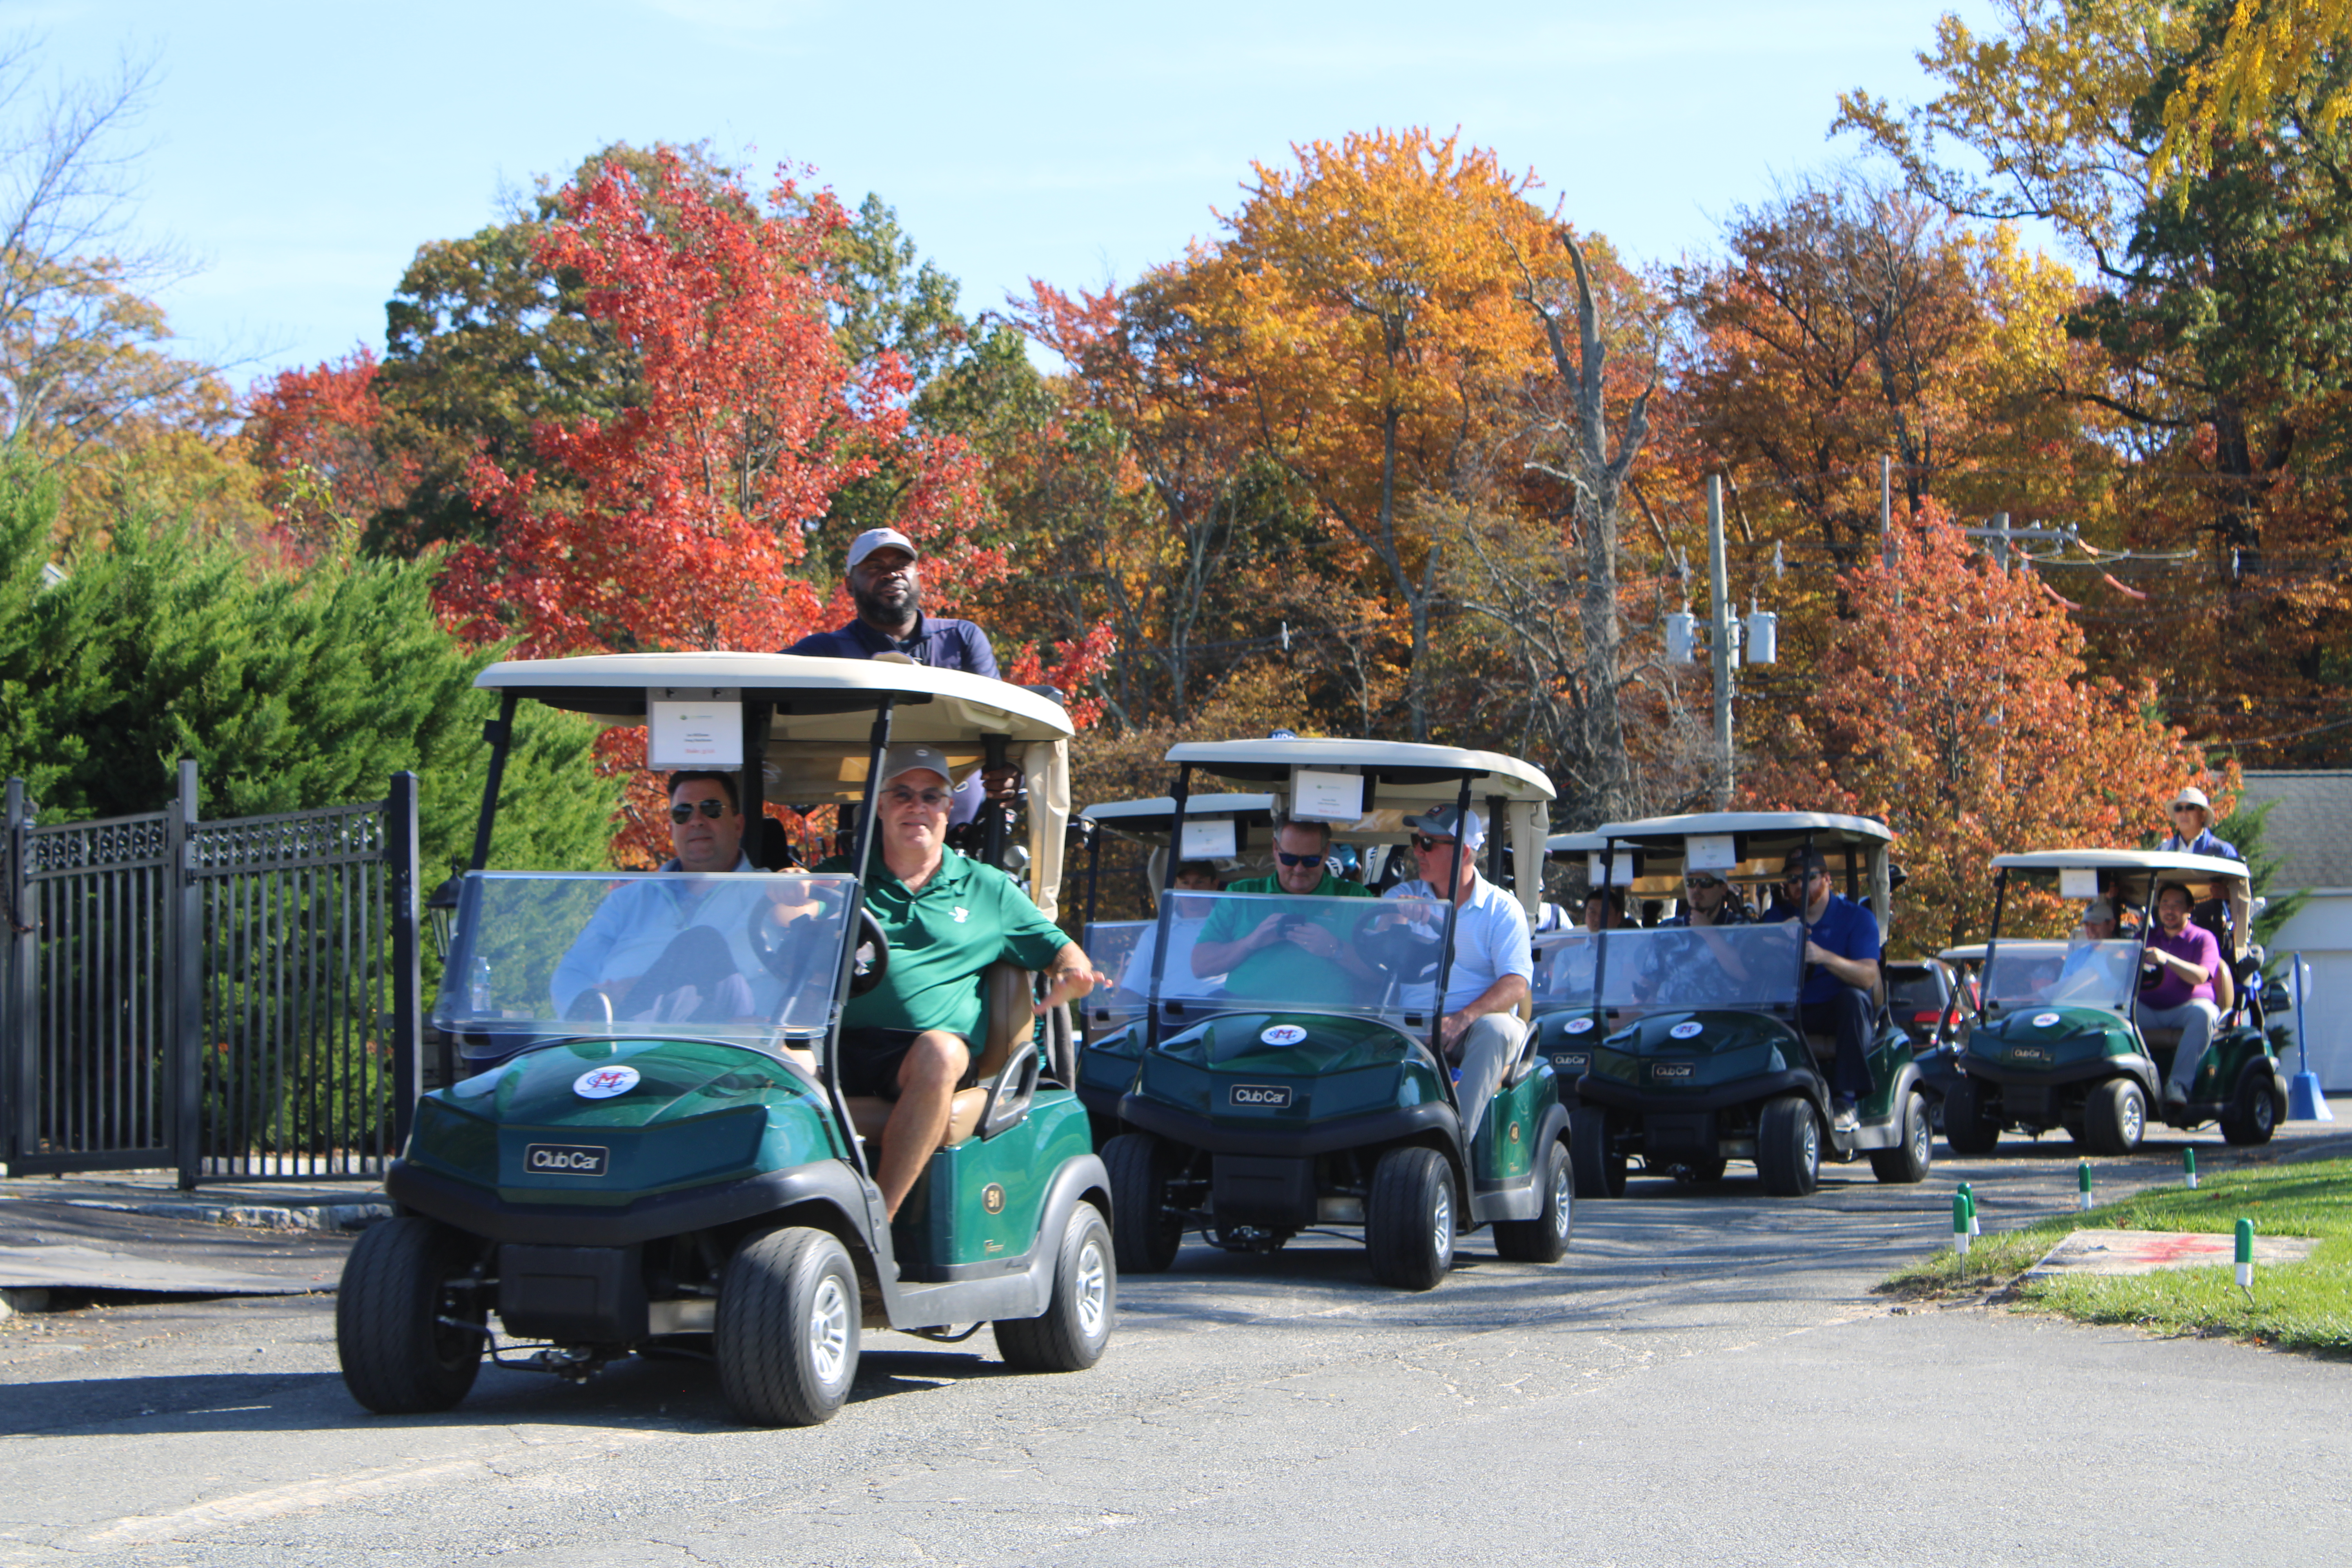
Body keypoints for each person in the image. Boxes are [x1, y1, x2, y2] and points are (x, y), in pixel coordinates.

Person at [815, 744, 1107, 1219]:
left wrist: (1074, 976)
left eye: (932, 796)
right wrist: (783, 896)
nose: (918, 807)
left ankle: (874, 1229)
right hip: (833, 1043)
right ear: (882, 805)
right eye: (904, 794)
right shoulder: (838, 877)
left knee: (942, 1051)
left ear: (949, 809)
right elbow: (782, 931)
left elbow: (1063, 954)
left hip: (920, 1058)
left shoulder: (987, 887)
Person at [787, 526, 1007, 826]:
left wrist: (1009, 771)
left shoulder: (962, 638)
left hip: (968, 836)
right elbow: (756, 688)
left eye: (902, 565)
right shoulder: (826, 651)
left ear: (918, 575)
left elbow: (1000, 724)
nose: (892, 574)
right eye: (875, 567)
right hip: (867, 843)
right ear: (849, 585)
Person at [553, 771, 792, 1024]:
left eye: (711, 809)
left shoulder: (769, 891)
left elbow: (802, 909)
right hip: (614, 1044)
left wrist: (798, 883)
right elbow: (572, 973)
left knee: (702, 943)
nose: (696, 821)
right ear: (671, 828)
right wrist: (591, 1018)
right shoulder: (627, 900)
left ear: (738, 825)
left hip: (723, 1046)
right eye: (683, 812)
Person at [1381, 806, 1532, 1144]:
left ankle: (1454, 1144)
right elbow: (1375, 966)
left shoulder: (1502, 908)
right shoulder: (1398, 899)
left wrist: (1461, 1020)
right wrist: (1398, 922)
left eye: (1429, 843)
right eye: (1416, 841)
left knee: (1497, 1028)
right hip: (1411, 1023)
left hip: (1474, 1028)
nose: (1418, 851)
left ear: (1465, 852)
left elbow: (1516, 984)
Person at [1192, 815, 1378, 1003]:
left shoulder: (1356, 899)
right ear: (1275, 849)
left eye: (1311, 860)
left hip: (1330, 1024)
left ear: (1326, 852)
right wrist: (1251, 942)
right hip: (1247, 1019)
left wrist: (1335, 949)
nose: (1299, 869)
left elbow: (1383, 975)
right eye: (1289, 859)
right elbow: (1200, 966)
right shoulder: (1241, 895)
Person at [1765, 848, 1881, 1133]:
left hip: (1836, 1011)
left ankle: (1846, 1101)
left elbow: (1868, 977)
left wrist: (1823, 957)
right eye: (1792, 879)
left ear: (1828, 879)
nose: (1798, 886)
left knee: (1852, 1000)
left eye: (1808, 877)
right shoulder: (1777, 918)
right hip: (1791, 1009)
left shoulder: (1857, 919)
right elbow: (1750, 965)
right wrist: (1778, 938)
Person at [2140, 880, 2224, 1111]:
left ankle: (2178, 1084)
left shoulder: (2203, 938)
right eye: (2165, 904)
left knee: (2205, 1014)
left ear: (2189, 910)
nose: (2169, 910)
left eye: (2177, 905)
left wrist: (2167, 960)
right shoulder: (2147, 937)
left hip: (2187, 1008)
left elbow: (2201, 976)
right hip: (2148, 1009)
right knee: (2114, 1015)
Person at [2158, 785, 2251, 962]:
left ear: (2203, 815)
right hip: (2169, 932)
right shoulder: (2164, 849)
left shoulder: (2223, 850)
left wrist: (2227, 895)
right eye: (2179, 808)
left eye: (2190, 808)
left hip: (2212, 930)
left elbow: (2243, 894)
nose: (2184, 813)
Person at [1117, 860, 1222, 997]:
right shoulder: (1155, 934)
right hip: (1172, 1014)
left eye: (1199, 882)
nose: (1192, 889)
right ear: (1176, 886)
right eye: (1185, 883)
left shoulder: (1230, 926)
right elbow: (1133, 989)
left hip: (1224, 1012)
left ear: (1214, 885)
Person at [2051, 899, 2124, 1002]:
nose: (2090, 930)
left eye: (2096, 924)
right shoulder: (2075, 957)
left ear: (2112, 925)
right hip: (2075, 1011)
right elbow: (2062, 989)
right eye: (2087, 925)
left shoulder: (2124, 956)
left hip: (2108, 1012)